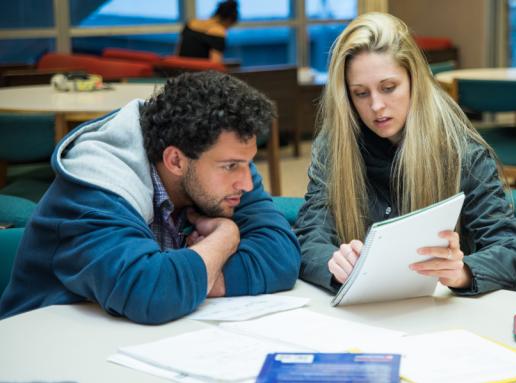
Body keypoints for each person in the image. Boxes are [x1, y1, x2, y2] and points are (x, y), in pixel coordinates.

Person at [0, 71, 301, 324]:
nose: (247, 183)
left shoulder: (223, 170)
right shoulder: (95, 185)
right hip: (49, 351)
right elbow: (151, 292)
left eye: (247, 162)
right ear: (175, 161)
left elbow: (281, 257)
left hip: (131, 341)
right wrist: (225, 238)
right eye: (231, 166)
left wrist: (191, 280)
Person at [293, 12, 516, 296]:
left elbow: (515, 252)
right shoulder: (334, 145)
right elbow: (309, 238)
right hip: (361, 317)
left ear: (414, 81)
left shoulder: (461, 151)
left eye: (388, 88)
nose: (376, 106)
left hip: (439, 315)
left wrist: (462, 272)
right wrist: (334, 265)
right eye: (360, 93)